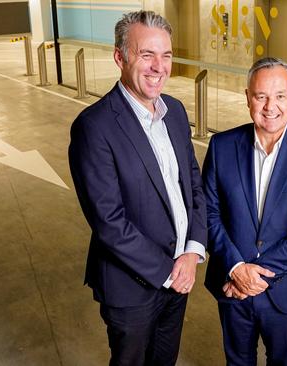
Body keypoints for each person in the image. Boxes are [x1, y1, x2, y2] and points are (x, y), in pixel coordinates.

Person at [68, 11, 206, 366]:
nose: (159, 67)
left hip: (180, 276)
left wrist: (191, 252)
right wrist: (167, 273)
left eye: (167, 56)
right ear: (120, 57)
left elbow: (193, 185)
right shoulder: (94, 127)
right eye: (147, 55)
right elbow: (109, 223)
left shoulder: (174, 111)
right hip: (132, 289)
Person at [203, 57, 287, 366]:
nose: (270, 106)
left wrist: (253, 277)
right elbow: (208, 212)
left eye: (280, 96)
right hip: (231, 285)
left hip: (284, 291)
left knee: (283, 361)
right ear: (247, 96)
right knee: (237, 360)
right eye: (261, 96)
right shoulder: (222, 146)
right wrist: (236, 268)